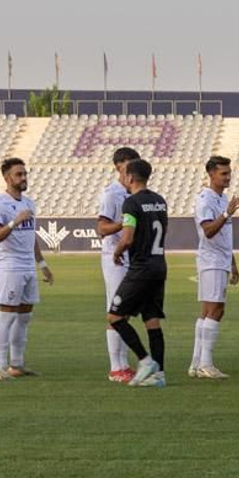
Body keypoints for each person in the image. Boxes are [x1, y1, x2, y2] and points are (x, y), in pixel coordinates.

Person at [0, 158, 52, 380]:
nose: (24, 178)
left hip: (27, 266)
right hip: (10, 266)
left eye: (25, 174)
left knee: (24, 317)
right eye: (19, 174)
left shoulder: (29, 203)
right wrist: (14, 222)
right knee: (6, 316)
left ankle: (17, 364)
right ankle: (0, 367)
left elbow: (30, 236)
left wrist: (42, 264)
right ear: (7, 178)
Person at [109, 159, 171, 387]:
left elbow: (127, 237)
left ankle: (145, 361)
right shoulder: (160, 201)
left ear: (130, 177)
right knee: (152, 321)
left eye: (124, 174)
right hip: (159, 266)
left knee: (114, 316)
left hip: (141, 268)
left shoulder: (131, 203)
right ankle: (159, 375)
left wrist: (117, 252)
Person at [189, 155, 239, 379]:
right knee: (216, 310)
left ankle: (196, 363)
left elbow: (225, 235)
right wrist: (227, 212)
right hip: (211, 261)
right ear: (211, 174)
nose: (228, 177)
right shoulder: (205, 199)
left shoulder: (222, 197)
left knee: (207, 312)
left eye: (228, 173)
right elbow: (209, 231)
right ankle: (206, 364)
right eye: (223, 173)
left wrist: (233, 263)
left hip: (220, 260)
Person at [95, 146, 140, 382]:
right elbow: (101, 228)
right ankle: (115, 367)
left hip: (130, 257)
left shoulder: (133, 192)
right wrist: (122, 225)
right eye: (128, 163)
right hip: (115, 256)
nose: (131, 167)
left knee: (125, 313)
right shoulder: (112, 194)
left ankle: (122, 363)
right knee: (116, 310)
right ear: (118, 167)